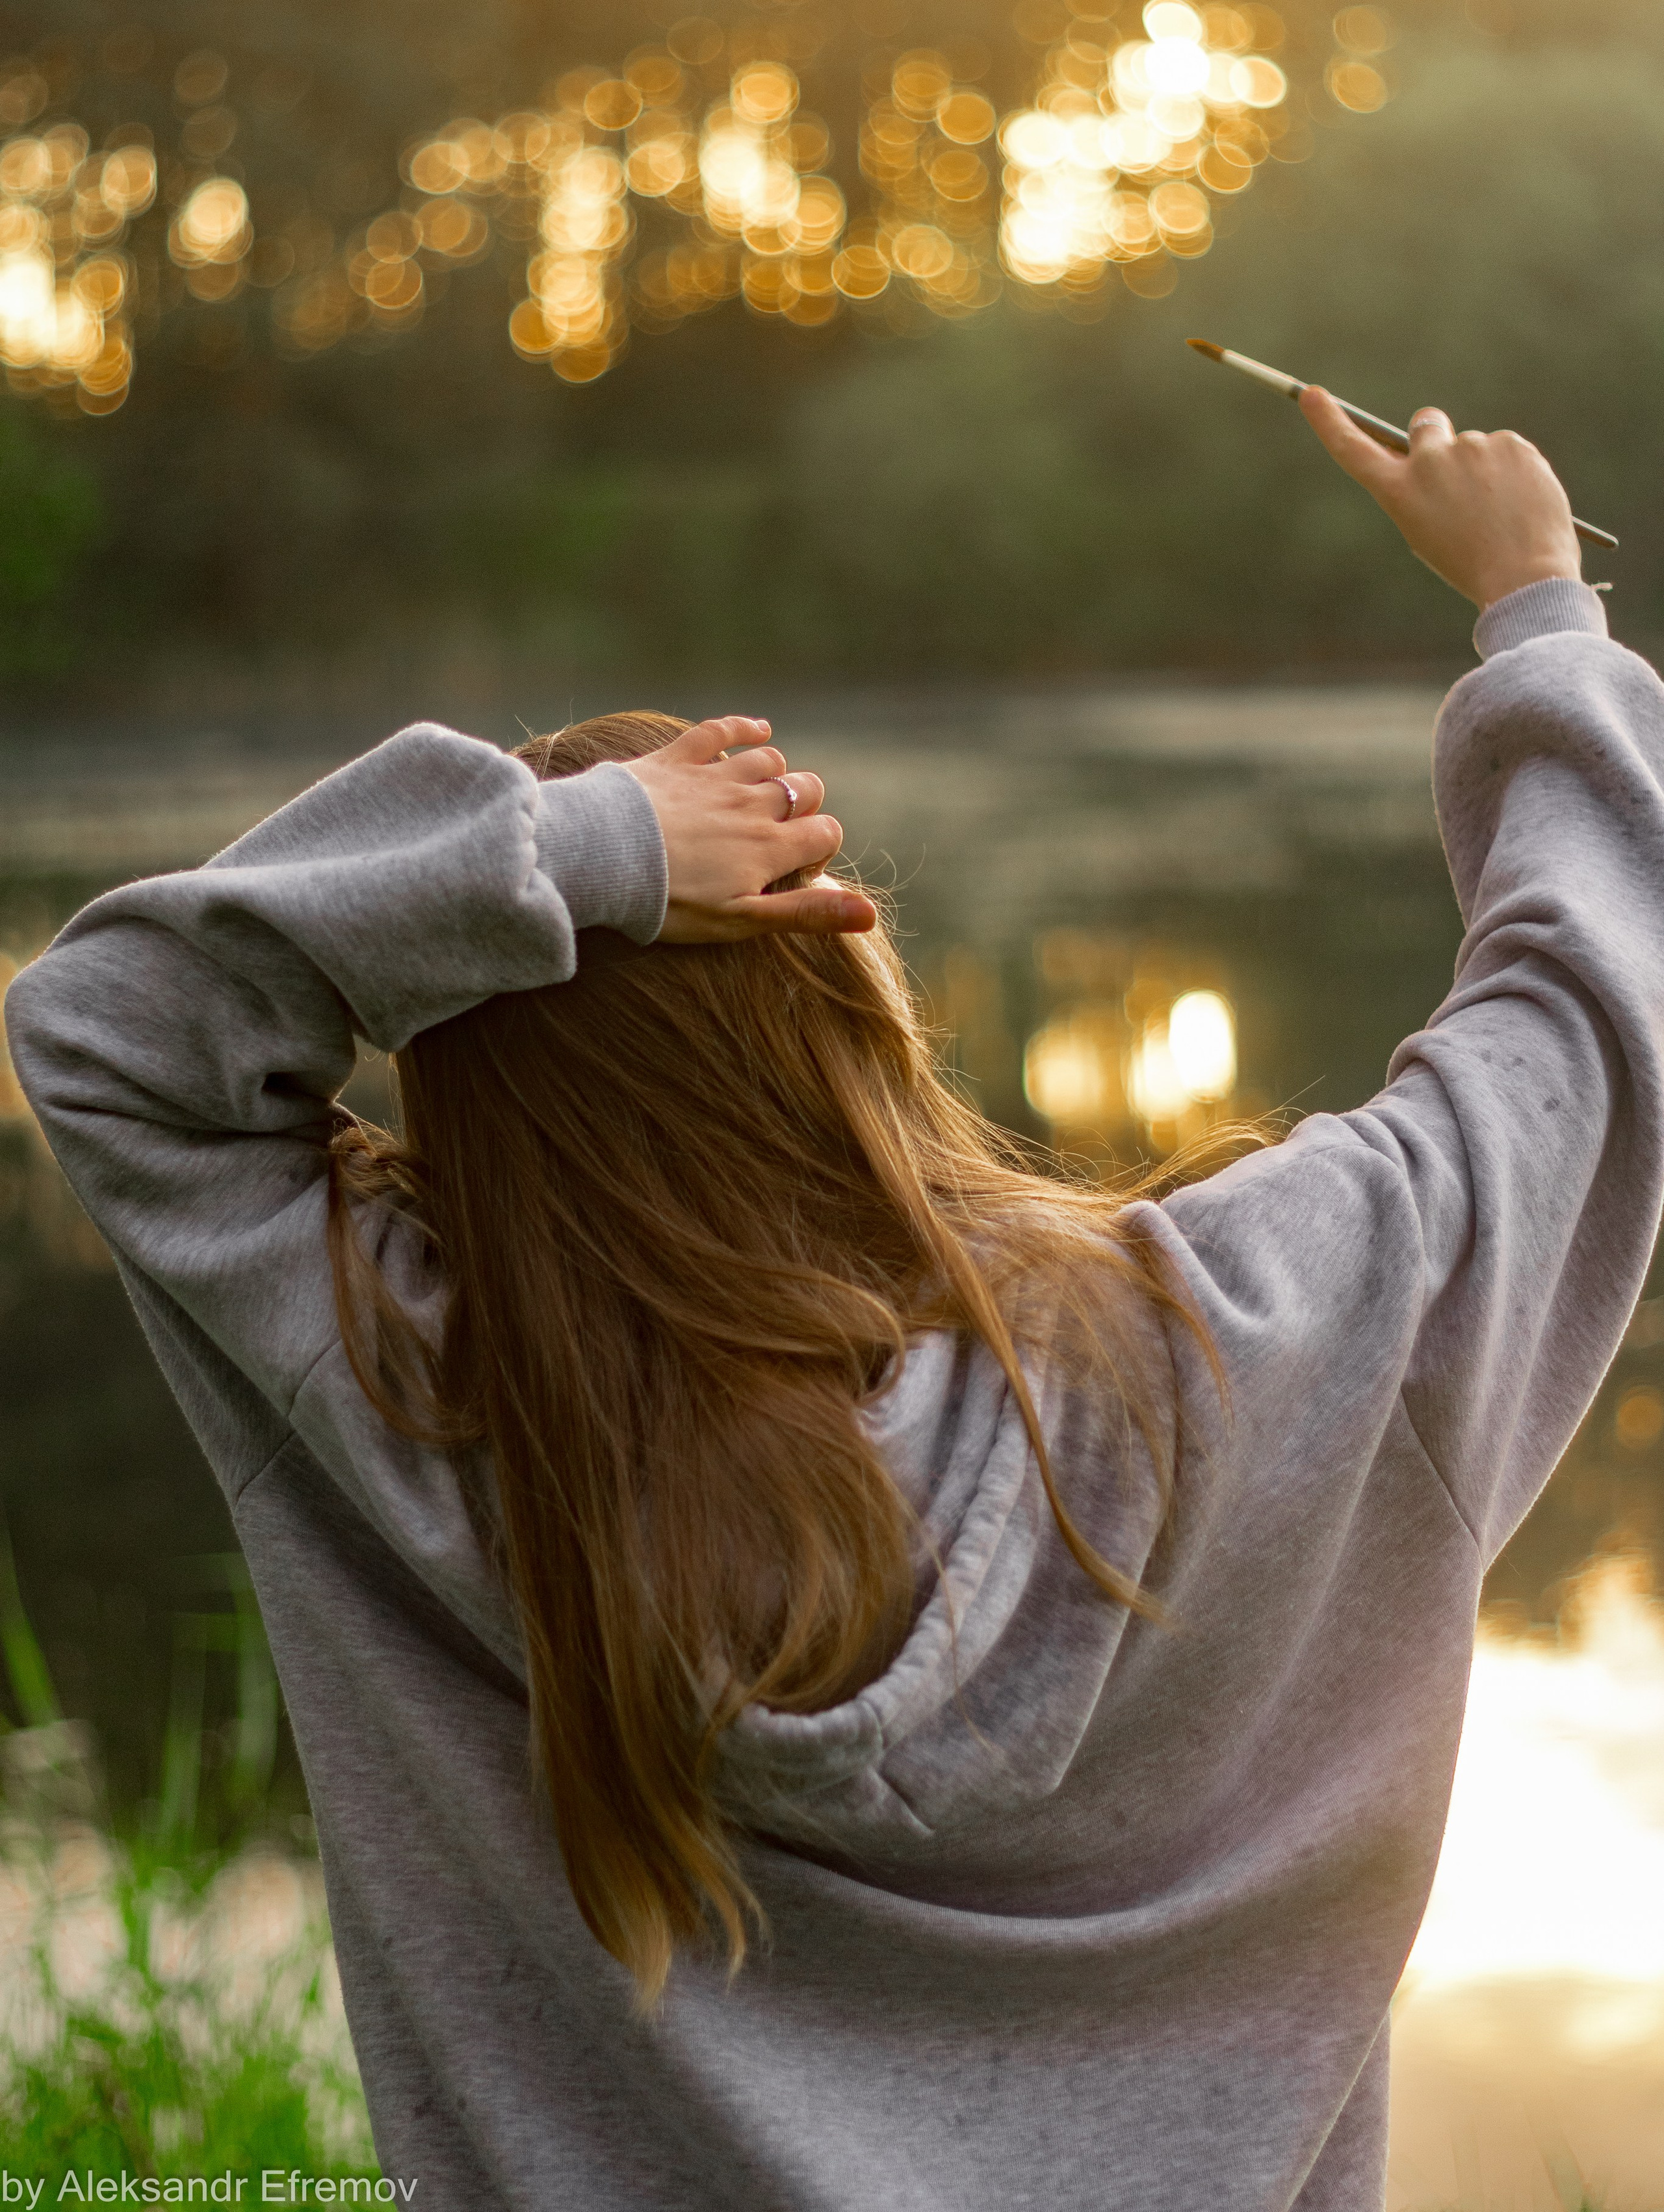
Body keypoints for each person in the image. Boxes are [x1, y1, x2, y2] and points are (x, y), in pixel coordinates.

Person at [6, 390, 1660, 2211]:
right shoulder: (1248, 1330)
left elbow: (108, 1035)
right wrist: (1534, 611)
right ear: (854, 982)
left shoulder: (413, 1409)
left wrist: (595, 856)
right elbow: (1583, 1010)